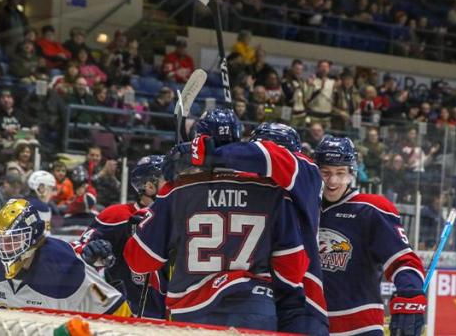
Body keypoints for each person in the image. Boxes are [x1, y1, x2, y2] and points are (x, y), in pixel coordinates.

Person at [124, 110, 308, 331]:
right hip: (255, 306)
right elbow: (291, 264)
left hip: (191, 309)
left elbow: (140, 260)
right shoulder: (273, 192)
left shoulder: (178, 191)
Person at [190, 121, 329, 334]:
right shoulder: (259, 189)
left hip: (303, 298)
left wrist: (215, 151)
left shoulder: (305, 170)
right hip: (264, 295)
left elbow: (269, 156)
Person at [314, 136, 426, 336]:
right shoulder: (305, 206)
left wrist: (410, 294)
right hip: (311, 322)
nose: (332, 181)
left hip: (360, 326)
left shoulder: (371, 209)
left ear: (351, 174)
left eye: (340, 173)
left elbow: (403, 260)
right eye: (325, 173)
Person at [0, 199, 127, 314]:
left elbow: (114, 307)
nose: (5, 247)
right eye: (1, 239)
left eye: (15, 239)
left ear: (34, 236)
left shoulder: (65, 264)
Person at [72, 155, 166, 318]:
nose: (174, 184)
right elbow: (77, 251)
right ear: (150, 186)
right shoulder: (117, 216)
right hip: (127, 316)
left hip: (174, 316)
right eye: (168, 179)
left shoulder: (182, 216)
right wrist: (91, 253)